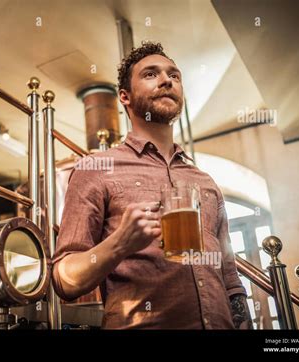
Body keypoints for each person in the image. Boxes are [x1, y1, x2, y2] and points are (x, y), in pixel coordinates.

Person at [51, 41, 252, 329]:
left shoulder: (205, 182)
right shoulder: (95, 170)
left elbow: (231, 280)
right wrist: (119, 245)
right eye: (150, 74)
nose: (167, 80)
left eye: (174, 75)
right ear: (125, 96)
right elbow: (63, 279)